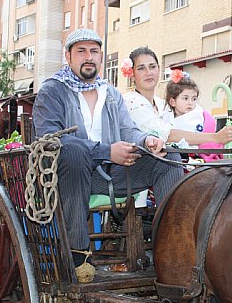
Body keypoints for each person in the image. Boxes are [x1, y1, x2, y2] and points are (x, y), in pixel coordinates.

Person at [32, 29, 184, 267]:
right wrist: (107, 151)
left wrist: (147, 141)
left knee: (168, 156)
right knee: (74, 152)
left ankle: (170, 249)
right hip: (67, 176)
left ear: (101, 57)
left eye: (94, 51)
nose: (88, 57)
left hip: (108, 175)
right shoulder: (52, 91)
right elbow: (50, 139)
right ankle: (78, 254)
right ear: (68, 56)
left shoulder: (110, 93)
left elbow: (128, 130)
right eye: (81, 51)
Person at [122, 46, 232, 145]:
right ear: (131, 74)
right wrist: (215, 137)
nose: (149, 72)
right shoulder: (131, 101)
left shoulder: (161, 103)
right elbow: (167, 135)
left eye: (152, 66)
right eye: (141, 68)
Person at [161, 69, 223, 162]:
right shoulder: (165, 118)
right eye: (185, 98)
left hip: (198, 160)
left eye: (194, 99)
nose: (190, 103)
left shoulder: (199, 117)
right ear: (172, 101)